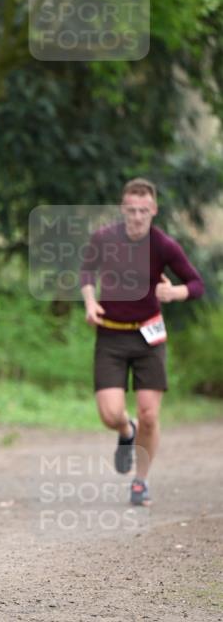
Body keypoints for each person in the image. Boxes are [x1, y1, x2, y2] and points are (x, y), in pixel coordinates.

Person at [80, 178, 204, 506]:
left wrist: (175, 292)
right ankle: (125, 431)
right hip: (111, 335)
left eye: (143, 211)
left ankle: (141, 482)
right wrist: (90, 302)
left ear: (154, 210)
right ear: (123, 209)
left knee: (149, 413)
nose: (136, 217)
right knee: (110, 414)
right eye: (131, 210)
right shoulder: (105, 238)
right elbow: (87, 271)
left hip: (149, 337)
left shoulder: (164, 246)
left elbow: (196, 283)